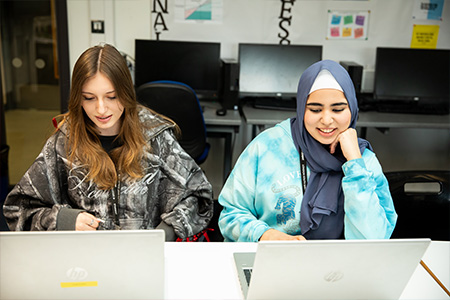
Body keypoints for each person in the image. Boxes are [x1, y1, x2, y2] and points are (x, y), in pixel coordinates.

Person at [3, 44, 213, 240]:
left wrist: (165, 233)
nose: (101, 109)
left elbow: (199, 198)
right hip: (85, 263)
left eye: (111, 97)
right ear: (78, 98)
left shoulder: (155, 137)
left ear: (126, 93)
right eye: (89, 98)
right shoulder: (65, 142)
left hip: (144, 259)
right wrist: (63, 220)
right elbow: (18, 209)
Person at [218, 60, 397, 242]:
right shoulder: (267, 146)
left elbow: (374, 240)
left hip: (339, 265)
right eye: (315, 109)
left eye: (338, 109)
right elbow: (230, 214)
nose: (326, 120)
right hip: (270, 258)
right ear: (301, 107)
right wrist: (266, 235)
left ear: (352, 108)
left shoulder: (363, 159)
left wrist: (354, 164)